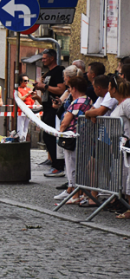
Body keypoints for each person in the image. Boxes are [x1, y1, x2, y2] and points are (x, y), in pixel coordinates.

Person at [57, 76, 92, 206]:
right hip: (85, 137)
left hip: (73, 138)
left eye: (70, 88)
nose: (69, 91)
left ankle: (75, 194)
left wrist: (60, 132)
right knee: (80, 165)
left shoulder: (77, 102)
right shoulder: (88, 100)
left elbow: (65, 121)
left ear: (74, 88)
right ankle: (80, 193)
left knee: (72, 164)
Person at [34, 48, 66, 177]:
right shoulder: (48, 73)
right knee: (47, 137)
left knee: (51, 137)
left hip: (54, 111)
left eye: (45, 58)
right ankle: (55, 164)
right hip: (47, 108)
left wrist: (44, 87)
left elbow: (60, 90)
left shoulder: (58, 71)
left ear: (52, 58)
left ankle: (58, 166)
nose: (43, 60)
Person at [108, 79, 130, 218]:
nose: (108, 90)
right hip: (121, 147)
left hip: (128, 146)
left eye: (109, 87)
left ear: (115, 88)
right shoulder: (120, 104)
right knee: (124, 177)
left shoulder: (127, 103)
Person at [16, 76, 39, 141]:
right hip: (21, 110)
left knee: (26, 127)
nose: (26, 82)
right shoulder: (18, 89)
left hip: (29, 110)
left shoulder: (29, 89)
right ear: (21, 81)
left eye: (27, 81)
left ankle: (24, 139)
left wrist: (34, 95)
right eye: (25, 81)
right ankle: (20, 139)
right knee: (21, 126)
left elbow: (32, 100)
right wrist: (27, 94)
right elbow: (20, 99)